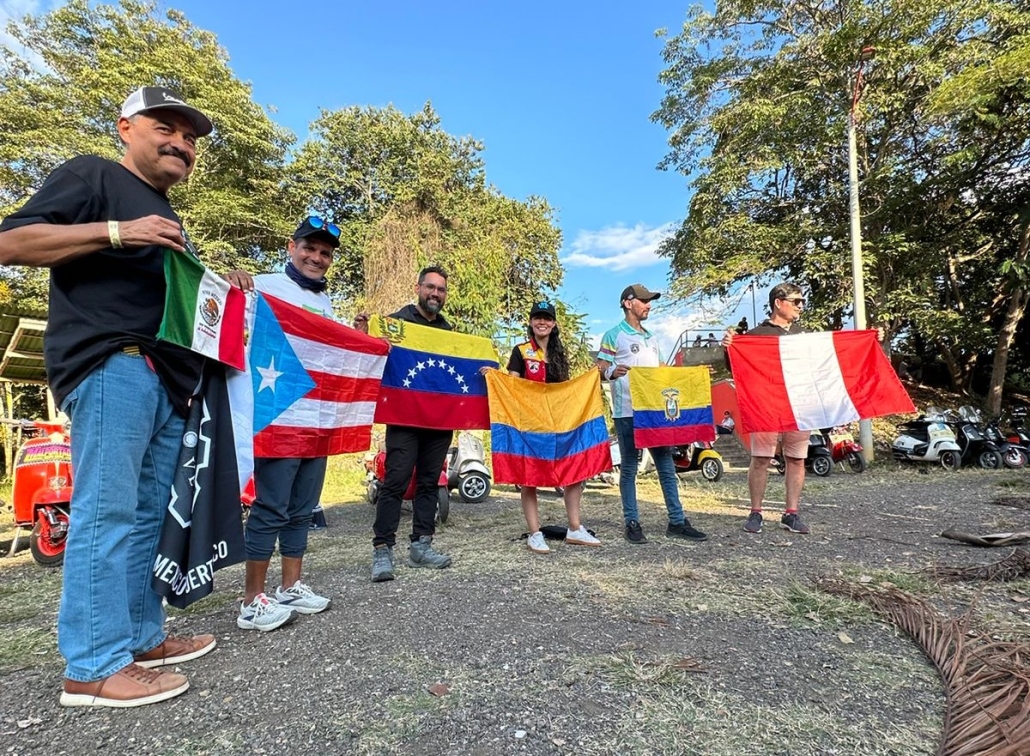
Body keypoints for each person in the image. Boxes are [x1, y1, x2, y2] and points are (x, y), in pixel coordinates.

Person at [0, 87, 252, 707]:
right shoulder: (94, 177)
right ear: (126, 128)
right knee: (105, 514)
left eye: (190, 138)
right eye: (166, 127)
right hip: (113, 364)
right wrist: (117, 230)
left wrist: (225, 288)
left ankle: (140, 637)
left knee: (145, 517)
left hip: (167, 379)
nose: (181, 144)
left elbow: (180, 300)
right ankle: (90, 665)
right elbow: (9, 243)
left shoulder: (167, 214)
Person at [237, 217, 340, 632]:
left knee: (302, 508)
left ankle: (290, 586)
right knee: (271, 506)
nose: (316, 258)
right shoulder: (259, 286)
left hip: (315, 417)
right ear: (290, 247)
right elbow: (232, 326)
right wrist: (232, 284)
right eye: (309, 248)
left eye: (325, 253)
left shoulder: (328, 303)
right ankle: (250, 601)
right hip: (277, 413)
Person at [362, 266, 455, 582]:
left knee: (430, 480)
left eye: (441, 290)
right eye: (430, 287)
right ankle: (382, 549)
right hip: (403, 418)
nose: (435, 294)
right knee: (397, 479)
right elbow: (372, 352)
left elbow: (458, 370)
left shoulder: (449, 332)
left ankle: (421, 546)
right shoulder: (396, 323)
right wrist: (367, 333)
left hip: (439, 420)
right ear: (418, 288)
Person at [596, 284, 708, 545]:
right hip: (627, 411)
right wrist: (612, 372)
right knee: (630, 468)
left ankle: (677, 521)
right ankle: (632, 522)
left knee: (666, 466)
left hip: (654, 412)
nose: (649, 305)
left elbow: (661, 373)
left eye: (650, 301)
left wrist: (694, 375)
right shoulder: (614, 335)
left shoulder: (652, 338)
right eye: (644, 301)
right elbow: (600, 367)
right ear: (628, 303)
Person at [506, 301, 601, 554]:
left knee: (574, 469)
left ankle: (575, 528)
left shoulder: (560, 353)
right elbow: (512, 386)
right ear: (530, 322)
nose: (542, 322)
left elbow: (566, 390)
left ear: (554, 323)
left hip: (559, 422)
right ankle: (535, 533)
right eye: (537, 317)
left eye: (547, 318)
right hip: (529, 423)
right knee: (530, 476)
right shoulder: (521, 351)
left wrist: (590, 378)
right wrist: (494, 378)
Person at [721, 283, 811, 535]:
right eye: (796, 301)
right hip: (766, 404)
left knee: (796, 458)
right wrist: (728, 347)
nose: (801, 306)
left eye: (802, 301)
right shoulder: (755, 335)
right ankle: (756, 512)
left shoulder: (806, 335)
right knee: (761, 458)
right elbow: (735, 368)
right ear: (778, 302)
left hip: (800, 404)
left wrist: (873, 339)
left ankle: (791, 514)